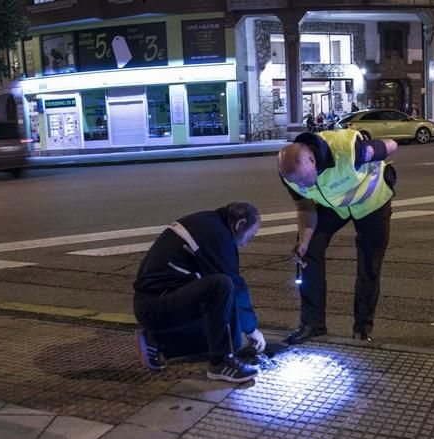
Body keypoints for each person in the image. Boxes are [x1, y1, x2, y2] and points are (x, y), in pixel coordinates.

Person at [277, 129, 398, 345]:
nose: (304, 185)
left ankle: (362, 328)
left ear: (312, 160)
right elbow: (305, 208)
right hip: (335, 205)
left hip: (372, 202)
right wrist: (303, 242)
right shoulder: (290, 173)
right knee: (308, 252)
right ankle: (312, 324)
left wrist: (371, 151)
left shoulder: (349, 151)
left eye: (305, 179)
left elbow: (391, 144)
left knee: (369, 264)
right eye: (298, 182)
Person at [132, 202, 265, 383]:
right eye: (251, 236)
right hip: (156, 306)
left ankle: (158, 340)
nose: (247, 244)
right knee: (222, 285)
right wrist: (251, 329)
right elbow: (234, 285)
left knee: (221, 334)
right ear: (240, 224)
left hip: (158, 302)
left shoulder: (208, 224)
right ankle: (221, 362)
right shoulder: (217, 236)